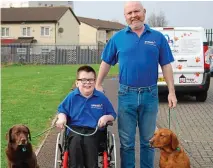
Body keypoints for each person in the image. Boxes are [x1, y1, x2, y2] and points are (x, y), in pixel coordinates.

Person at [95, 1, 177, 168]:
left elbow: (166, 65)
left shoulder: (157, 38)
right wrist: (98, 83)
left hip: (150, 95)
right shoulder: (118, 38)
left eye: (136, 11)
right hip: (126, 95)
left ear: (144, 12)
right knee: (127, 144)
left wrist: (171, 92)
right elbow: (106, 62)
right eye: (129, 13)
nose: (133, 16)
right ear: (125, 16)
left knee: (149, 142)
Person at [56, 65, 116, 168]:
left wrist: (105, 118)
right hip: (75, 130)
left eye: (90, 80)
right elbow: (62, 111)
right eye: (83, 80)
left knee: (89, 141)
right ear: (77, 82)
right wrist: (62, 118)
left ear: (94, 81)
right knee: (75, 142)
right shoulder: (71, 97)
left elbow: (113, 115)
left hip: (94, 130)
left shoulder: (101, 98)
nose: (87, 83)